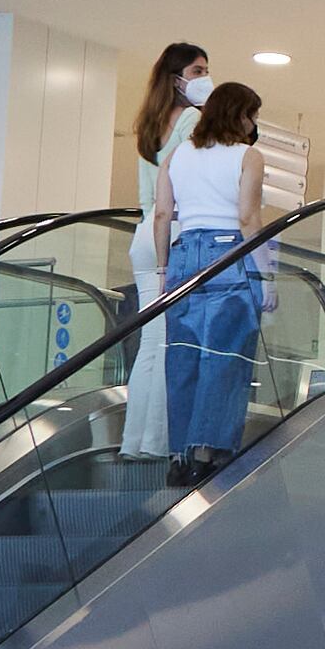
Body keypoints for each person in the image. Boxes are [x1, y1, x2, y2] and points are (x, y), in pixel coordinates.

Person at [157, 78, 272, 487]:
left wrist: (162, 270)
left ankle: (178, 455)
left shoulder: (177, 156)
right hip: (229, 253)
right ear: (239, 116)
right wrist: (263, 274)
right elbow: (248, 218)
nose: (253, 125)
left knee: (182, 356)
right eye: (252, 116)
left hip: (184, 253)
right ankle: (207, 453)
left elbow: (162, 215)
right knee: (225, 355)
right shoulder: (248, 156)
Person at [121, 44, 210, 461]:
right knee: (169, 342)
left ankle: (134, 440)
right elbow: (187, 181)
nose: (205, 78)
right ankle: (157, 441)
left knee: (151, 341)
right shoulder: (193, 119)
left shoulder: (148, 124)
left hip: (144, 232)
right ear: (177, 79)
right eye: (198, 71)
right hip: (172, 233)